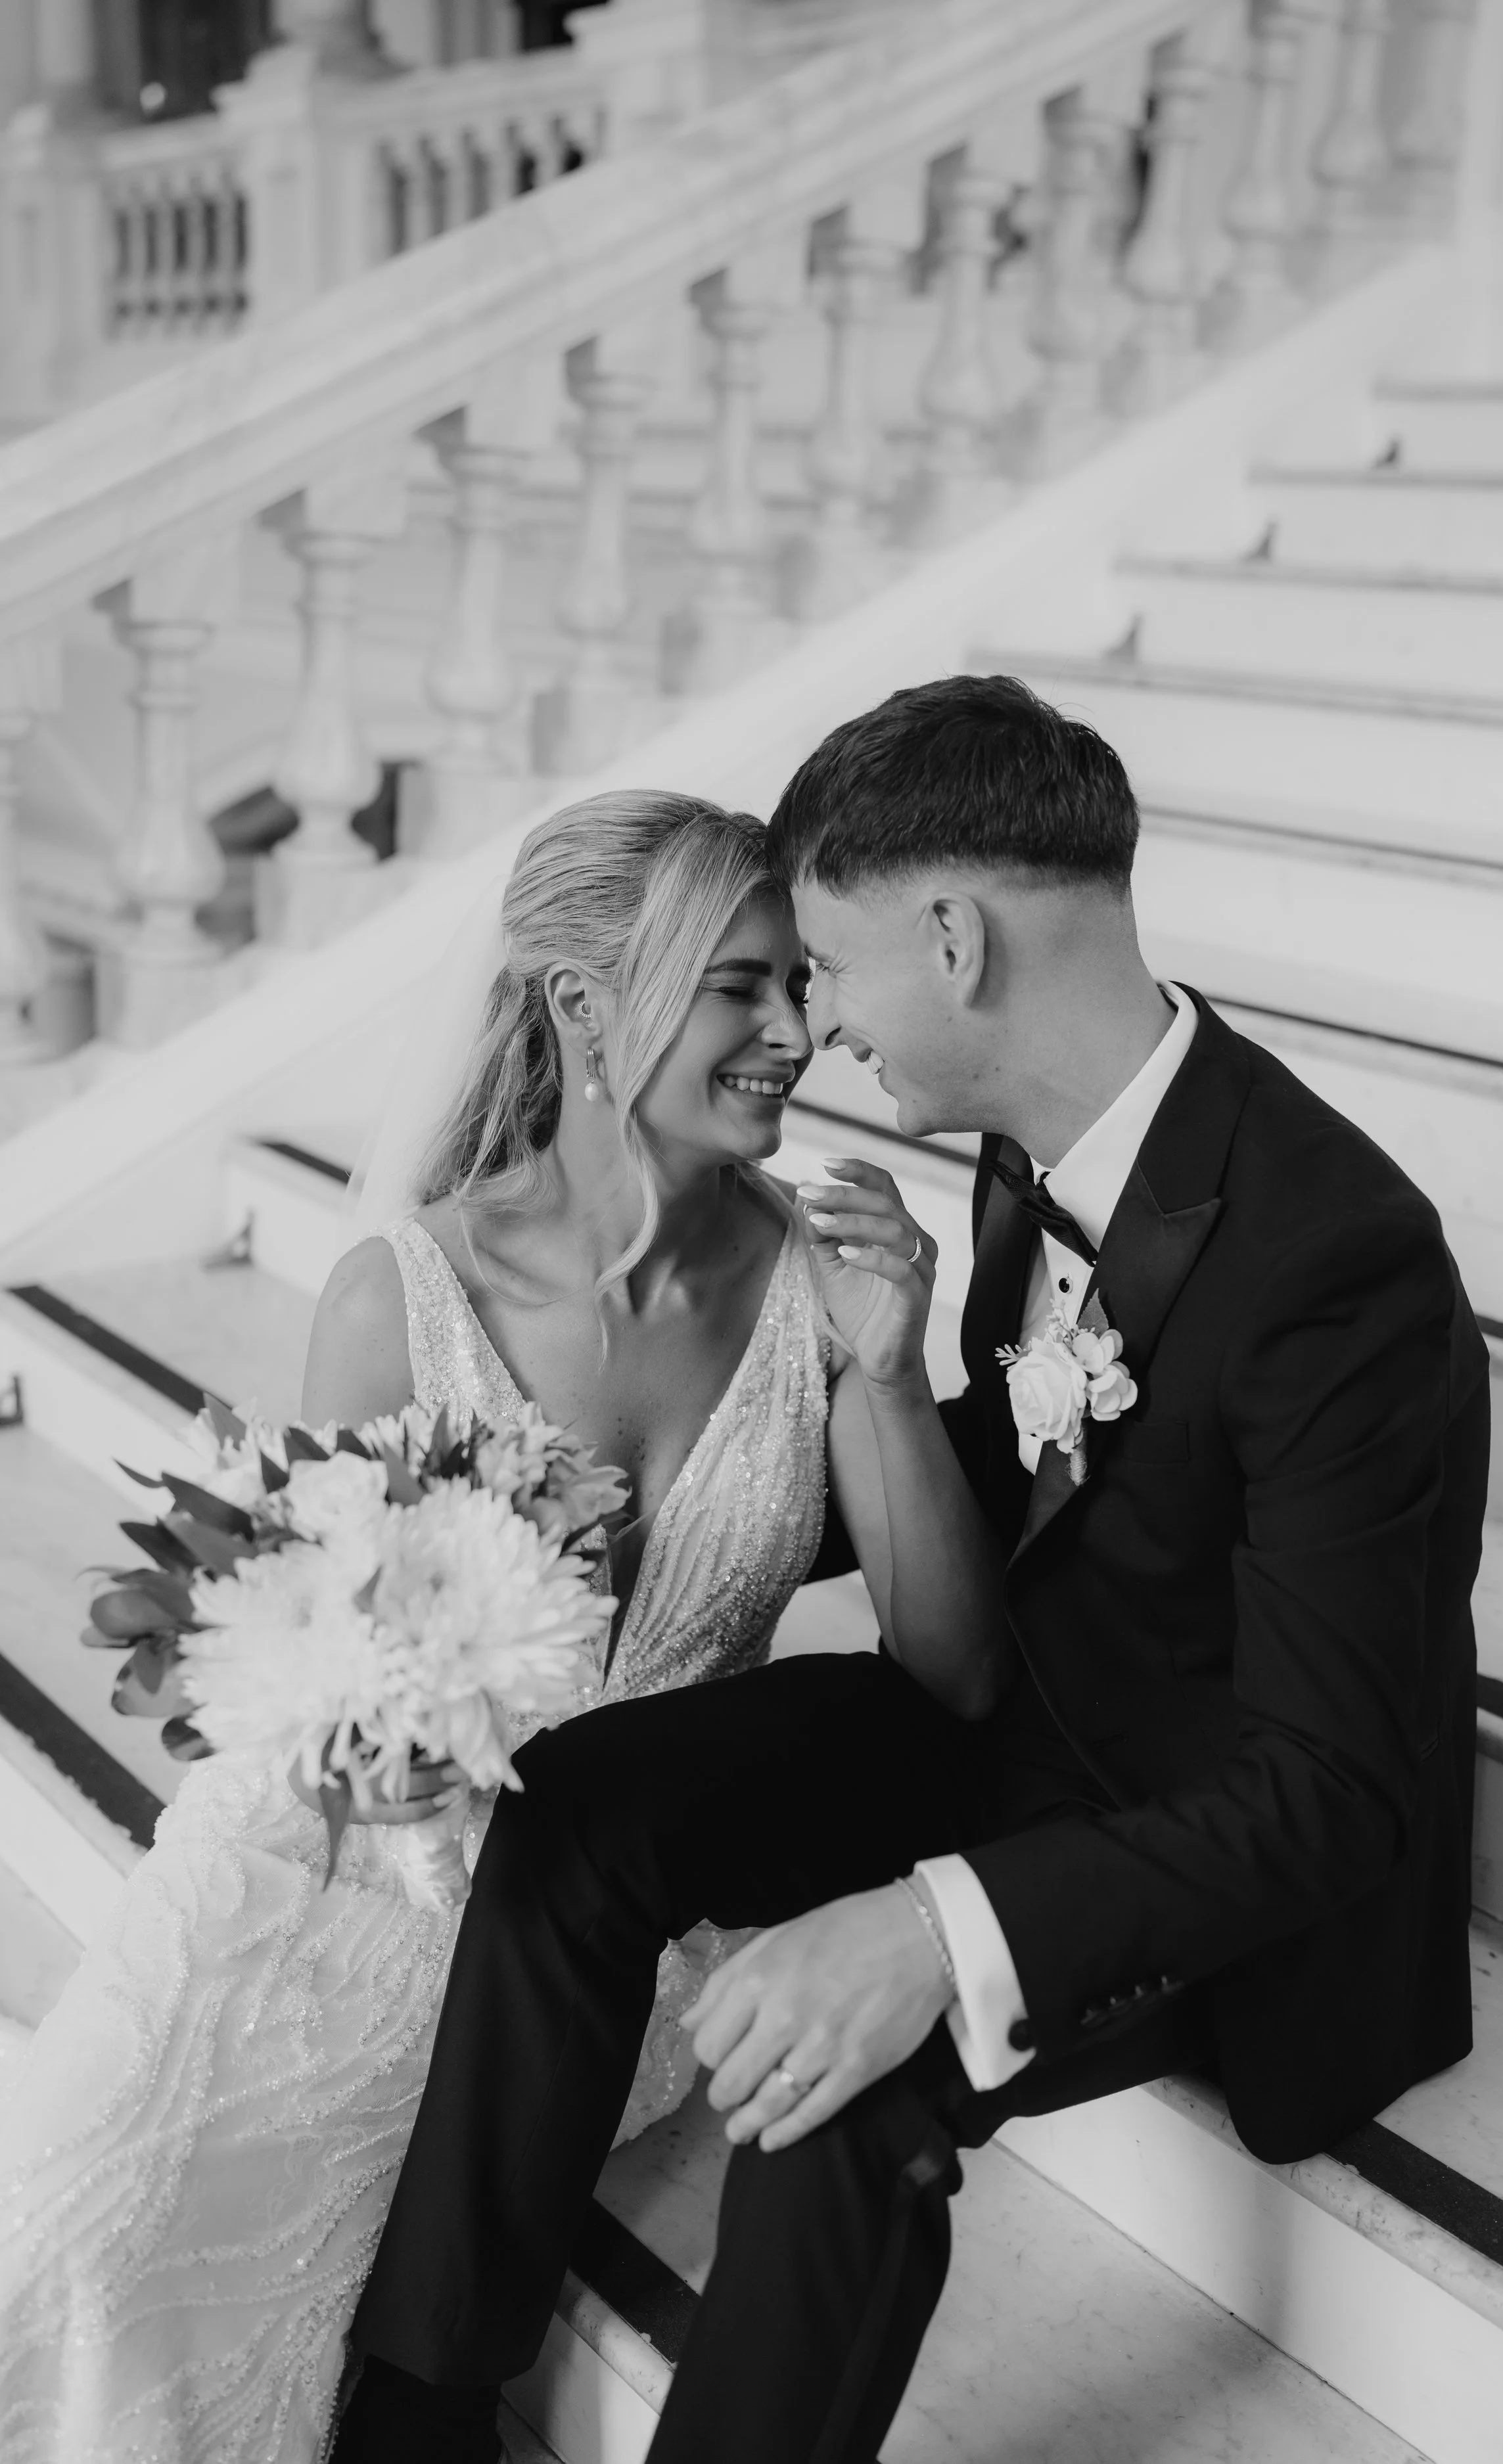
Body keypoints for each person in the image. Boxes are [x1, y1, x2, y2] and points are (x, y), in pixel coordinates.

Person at [336, 675, 1489, 2464]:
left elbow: (1330, 1793)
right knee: (579, 1808)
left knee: (837, 2076)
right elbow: (1035, 1484)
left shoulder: (1342, 1258)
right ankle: (417, 2401)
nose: (816, 1025)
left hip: (1203, 1828)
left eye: (826, 964)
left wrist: (926, 1924)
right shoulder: (1035, 1153)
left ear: (951, 939)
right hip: (1012, 1716)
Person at [0, 790, 1000, 2464]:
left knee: (246, 2209)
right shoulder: (404, 1294)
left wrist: (893, 1365)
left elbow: (953, 1671)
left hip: (611, 1943)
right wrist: (368, 1740)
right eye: (738, 988)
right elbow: (306, 1700)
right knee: (77, 2210)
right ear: (585, 1006)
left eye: (795, 988)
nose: (792, 1034)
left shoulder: (820, 1285)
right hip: (345, 1865)